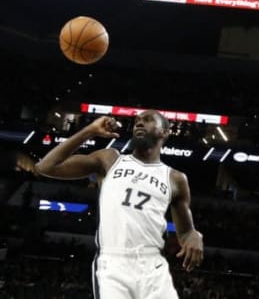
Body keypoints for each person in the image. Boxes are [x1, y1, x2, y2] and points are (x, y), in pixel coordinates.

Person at [35, 110, 204, 299]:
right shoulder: (110, 159)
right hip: (114, 262)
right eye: (137, 121)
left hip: (153, 264)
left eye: (147, 120)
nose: (139, 123)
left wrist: (194, 235)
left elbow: (186, 233)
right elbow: (45, 167)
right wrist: (89, 131)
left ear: (165, 132)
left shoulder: (175, 178)